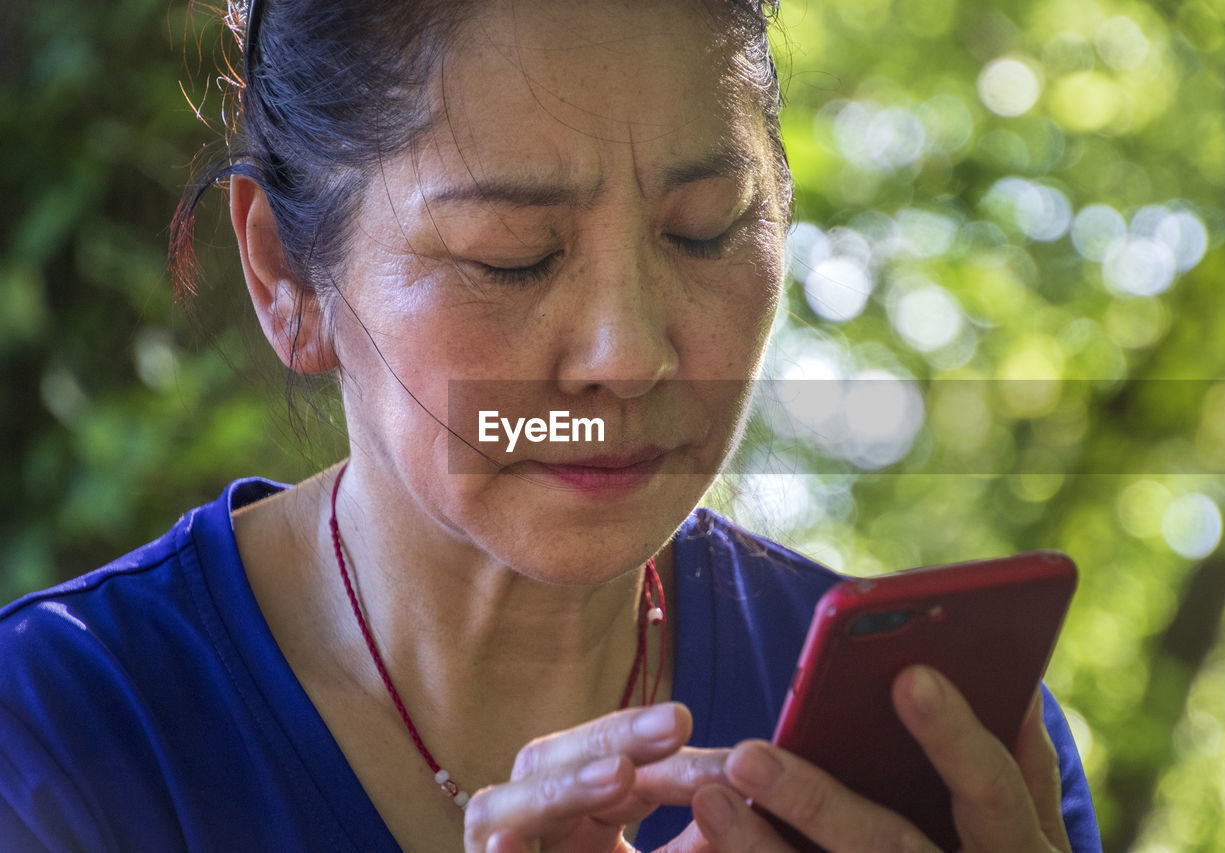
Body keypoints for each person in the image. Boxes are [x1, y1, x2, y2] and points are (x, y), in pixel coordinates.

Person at [0, 0, 1102, 850]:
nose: (629, 354)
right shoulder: (51, 733)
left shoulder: (945, 747)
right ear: (286, 274)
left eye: (706, 232)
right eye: (510, 255)